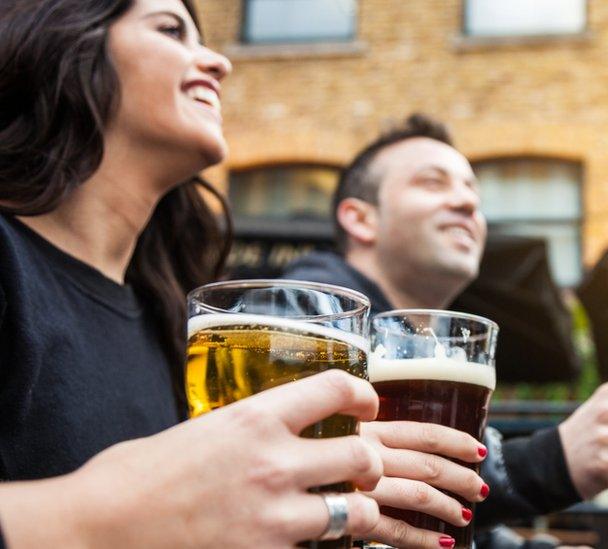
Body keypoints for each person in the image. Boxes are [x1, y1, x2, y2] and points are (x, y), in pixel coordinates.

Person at [0, 3, 487, 548]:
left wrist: (314, 489)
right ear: (60, 42)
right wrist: (114, 513)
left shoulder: (167, 313)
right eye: (169, 29)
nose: (218, 63)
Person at [282, 113, 608, 544]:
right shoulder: (313, 314)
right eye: (433, 183)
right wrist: (556, 457)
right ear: (361, 219)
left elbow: (433, 510)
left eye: (473, 191)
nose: (468, 203)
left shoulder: (425, 345)